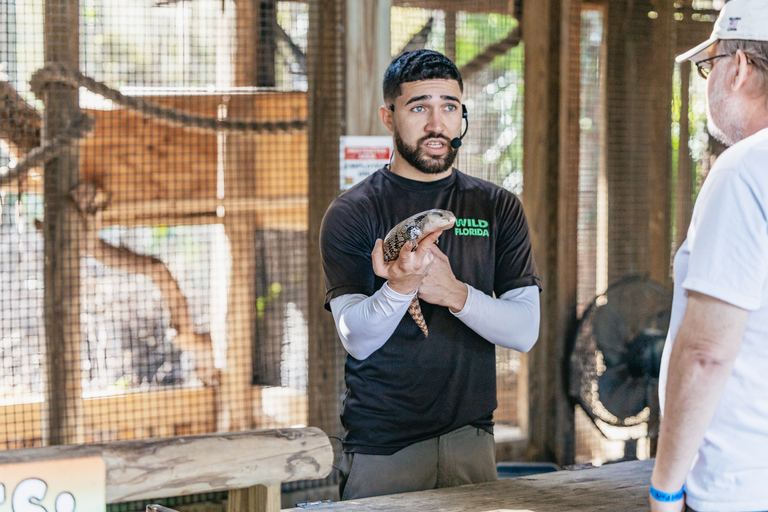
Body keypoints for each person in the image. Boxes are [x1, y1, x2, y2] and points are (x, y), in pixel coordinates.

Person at [320, 49, 541, 500]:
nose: (436, 123)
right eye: (419, 106)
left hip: (472, 440)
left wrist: (455, 293)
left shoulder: (497, 207)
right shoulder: (352, 211)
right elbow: (356, 337)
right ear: (388, 116)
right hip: (383, 448)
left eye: (449, 107)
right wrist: (399, 287)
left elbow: (525, 330)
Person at [650, 1, 768, 511]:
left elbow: (705, 353)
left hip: (737, 487)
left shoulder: (744, 169)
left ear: (739, 67)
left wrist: (665, 487)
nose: (706, 82)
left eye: (708, 66)